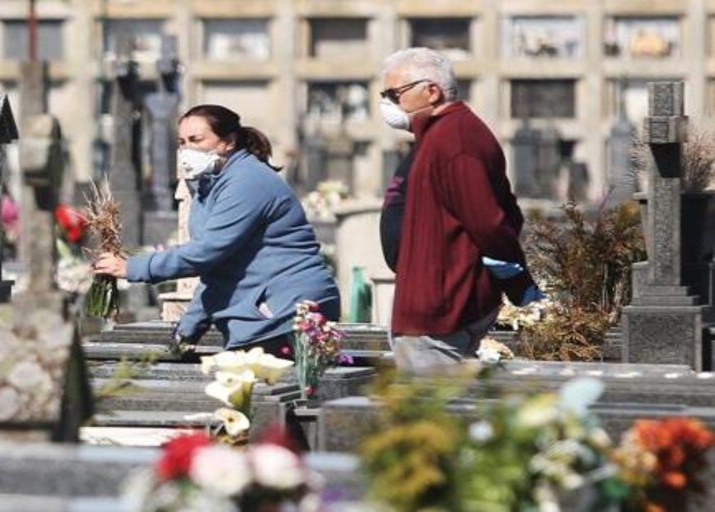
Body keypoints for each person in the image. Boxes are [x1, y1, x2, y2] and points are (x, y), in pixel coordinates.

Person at [93, 104, 340, 358]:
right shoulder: (209, 186)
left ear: (228, 142)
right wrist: (187, 332)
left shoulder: (247, 181)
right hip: (264, 311)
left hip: (285, 310)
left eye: (196, 140)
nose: (187, 149)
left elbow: (206, 252)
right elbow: (218, 270)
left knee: (273, 394)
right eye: (182, 142)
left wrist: (132, 268)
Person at [377, 48, 542, 375]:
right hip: (432, 303)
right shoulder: (440, 136)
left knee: (432, 415)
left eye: (394, 94)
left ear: (432, 91)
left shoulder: (456, 140)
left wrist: (518, 282)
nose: (388, 104)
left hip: (441, 307)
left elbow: (489, 222)